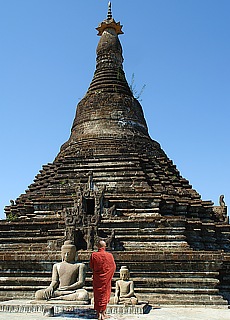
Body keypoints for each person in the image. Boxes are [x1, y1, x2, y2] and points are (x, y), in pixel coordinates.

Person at [90, 240, 116, 320]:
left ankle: (98, 314)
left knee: (97, 295)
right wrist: (108, 275)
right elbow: (113, 267)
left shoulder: (93, 255)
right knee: (105, 294)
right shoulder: (109, 255)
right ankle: (103, 313)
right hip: (106, 279)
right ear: (105, 247)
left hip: (97, 278)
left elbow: (91, 266)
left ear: (97, 246)